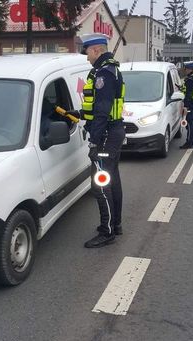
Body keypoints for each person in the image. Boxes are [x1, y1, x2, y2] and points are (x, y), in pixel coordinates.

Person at [67, 33, 125, 248]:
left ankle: (107, 231)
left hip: (106, 135)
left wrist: (93, 141)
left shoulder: (103, 74)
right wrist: (79, 113)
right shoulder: (110, 70)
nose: (86, 57)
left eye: (88, 52)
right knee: (112, 180)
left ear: (97, 50)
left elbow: (102, 112)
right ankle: (115, 225)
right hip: (113, 131)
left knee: (100, 185)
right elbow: (97, 108)